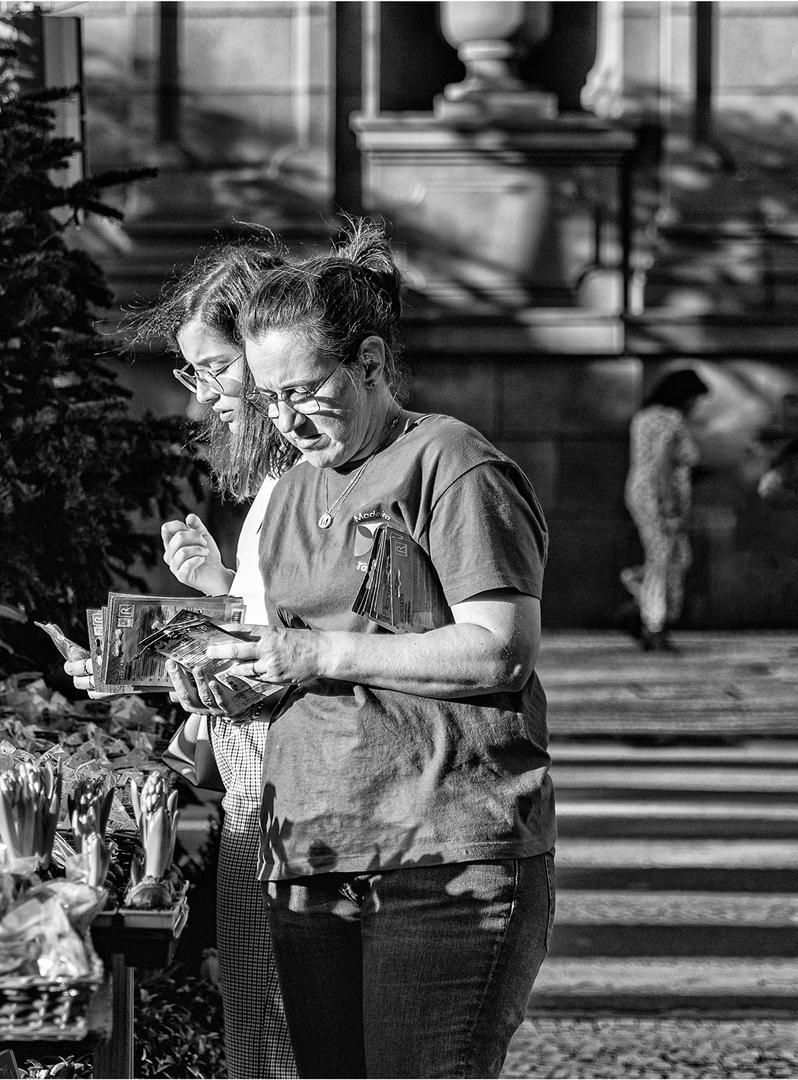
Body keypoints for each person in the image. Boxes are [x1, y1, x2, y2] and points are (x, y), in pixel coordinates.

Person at [170, 219, 555, 1079]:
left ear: (372, 363)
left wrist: (314, 657)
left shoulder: (449, 462)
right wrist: (198, 670)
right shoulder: (298, 484)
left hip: (444, 854)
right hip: (312, 854)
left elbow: (499, 651)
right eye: (268, 397)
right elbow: (280, 650)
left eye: (305, 391)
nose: (285, 417)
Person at [70, 244, 299, 1078]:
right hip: (257, 796)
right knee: (263, 1030)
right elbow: (259, 622)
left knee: (275, 1039)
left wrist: (158, 664)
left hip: (280, 800)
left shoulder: (300, 485)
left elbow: (280, 656)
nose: (203, 396)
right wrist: (210, 588)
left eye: (215, 369)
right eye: (193, 371)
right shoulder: (277, 489)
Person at [620, 368, 710, 651]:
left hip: (641, 494)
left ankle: (642, 599)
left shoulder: (644, 417)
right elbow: (662, 464)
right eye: (695, 398)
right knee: (665, 559)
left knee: (674, 556)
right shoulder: (670, 420)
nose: (696, 405)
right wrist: (671, 507)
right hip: (661, 497)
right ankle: (653, 623)